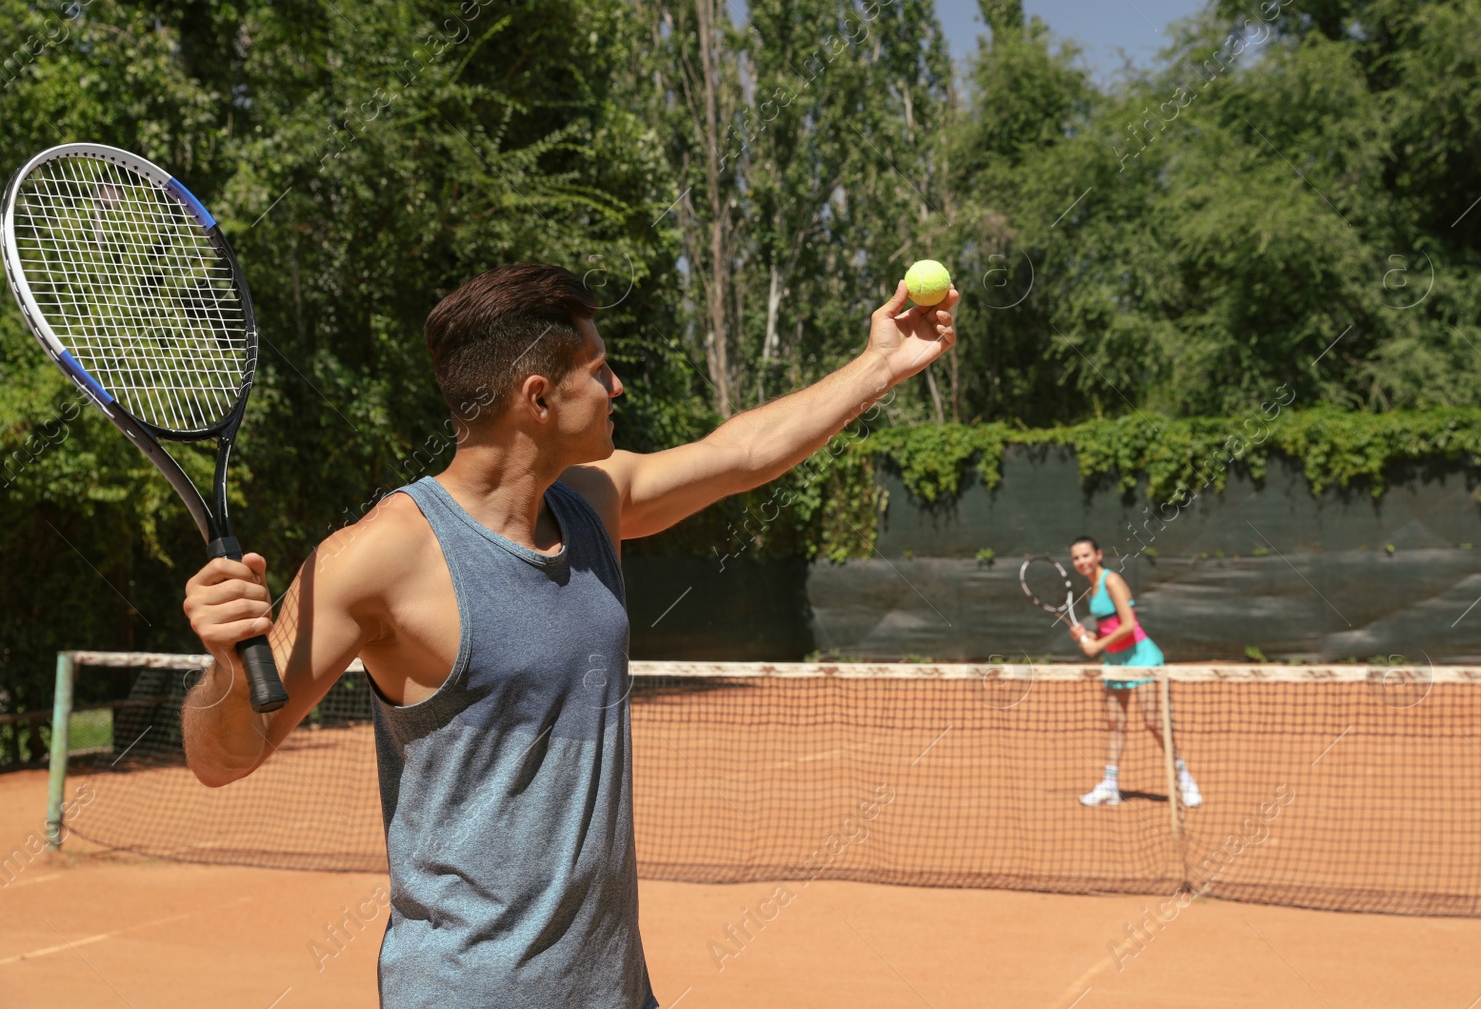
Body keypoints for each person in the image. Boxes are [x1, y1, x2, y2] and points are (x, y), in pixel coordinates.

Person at [178, 263, 958, 1009]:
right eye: (599, 368)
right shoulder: (378, 556)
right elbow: (225, 757)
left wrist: (878, 366)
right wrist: (227, 668)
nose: (616, 386)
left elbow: (739, 455)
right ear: (539, 397)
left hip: (612, 988)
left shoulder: (591, 500)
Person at [1067, 535, 1202, 809]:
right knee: (1115, 724)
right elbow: (1109, 628)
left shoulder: (1111, 581)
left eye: (1086, 555)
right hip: (1115, 662)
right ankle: (1111, 785)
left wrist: (1096, 647)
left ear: (1099, 555)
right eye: (1076, 557)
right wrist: (1086, 635)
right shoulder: (1092, 589)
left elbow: (1129, 625)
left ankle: (1185, 779)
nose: (1082, 561)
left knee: (1154, 721)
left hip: (1141, 658)